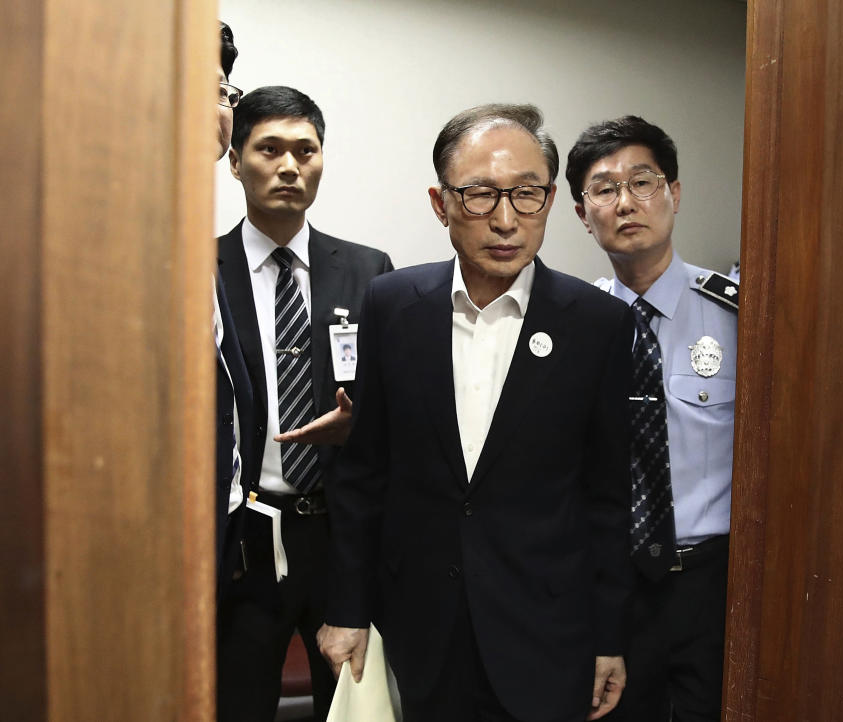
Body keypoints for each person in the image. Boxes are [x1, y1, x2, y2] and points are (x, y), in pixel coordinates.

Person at [318, 103, 635, 722]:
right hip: (420, 622)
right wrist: (347, 610)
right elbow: (363, 475)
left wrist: (610, 635)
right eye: (480, 196)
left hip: (546, 628)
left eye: (527, 195)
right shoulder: (392, 304)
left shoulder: (597, 324)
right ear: (440, 204)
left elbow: (607, 498)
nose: (506, 220)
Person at [216, 85, 393, 721]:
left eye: (305, 150)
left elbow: (396, 405)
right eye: (269, 149)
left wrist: (362, 422)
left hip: (339, 533)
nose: (290, 166)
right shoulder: (200, 267)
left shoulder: (371, 271)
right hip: (243, 539)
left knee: (347, 710)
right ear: (236, 162)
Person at [566, 115, 738, 722]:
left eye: (643, 181)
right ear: (584, 214)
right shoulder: (574, 327)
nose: (626, 201)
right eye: (604, 189)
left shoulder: (741, 314)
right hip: (615, 583)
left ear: (675, 193)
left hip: (718, 583)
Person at [214, 20, 256, 596]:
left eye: (227, 91)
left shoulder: (193, 243)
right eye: (212, 86)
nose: (224, 106)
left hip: (223, 523)